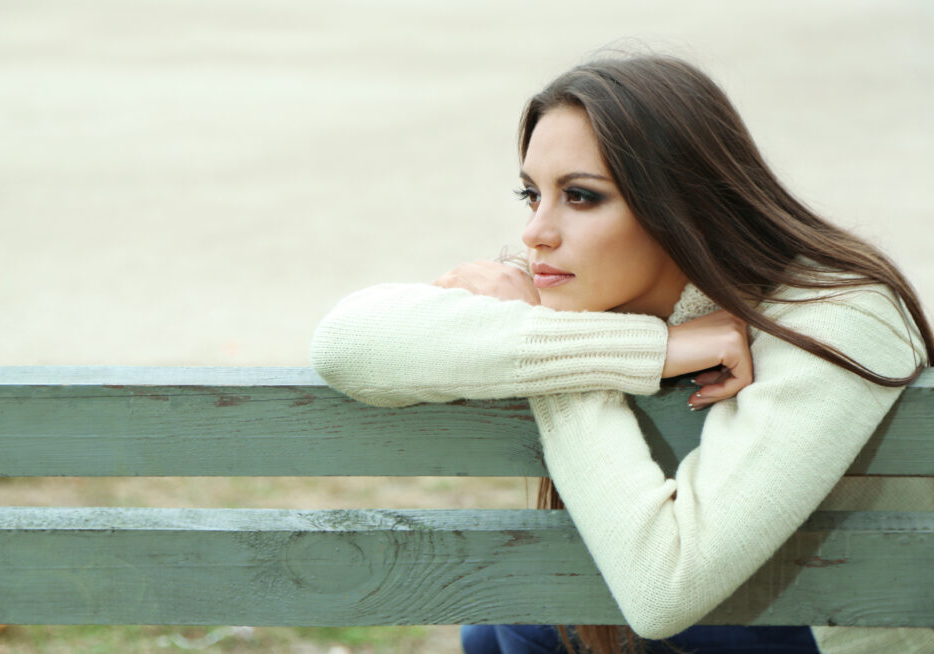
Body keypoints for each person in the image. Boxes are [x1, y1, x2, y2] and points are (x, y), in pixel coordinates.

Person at [309, 54, 933, 654]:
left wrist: (551, 350)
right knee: (509, 623)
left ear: (680, 203)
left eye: (580, 196)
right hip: (706, 609)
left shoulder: (840, 312)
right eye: (531, 194)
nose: (535, 232)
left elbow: (664, 591)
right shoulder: (595, 287)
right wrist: (654, 348)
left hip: (824, 626)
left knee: (521, 623)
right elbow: (347, 341)